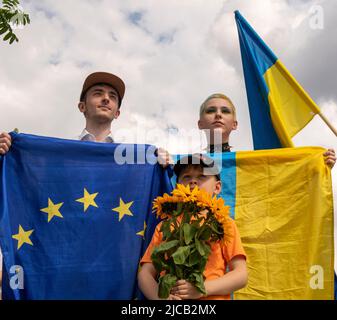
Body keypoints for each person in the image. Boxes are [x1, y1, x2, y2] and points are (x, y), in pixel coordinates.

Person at [138, 154, 248, 300]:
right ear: (177, 186)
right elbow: (145, 274)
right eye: (186, 176)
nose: (193, 181)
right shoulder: (165, 225)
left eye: (202, 176)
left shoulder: (223, 224)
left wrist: (202, 289)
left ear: (217, 187)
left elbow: (241, 274)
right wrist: (160, 298)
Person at [197, 93, 336, 167]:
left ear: (235, 124)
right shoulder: (184, 168)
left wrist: (317, 167)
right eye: (211, 111)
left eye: (225, 111)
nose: (218, 114)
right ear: (200, 124)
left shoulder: (250, 165)